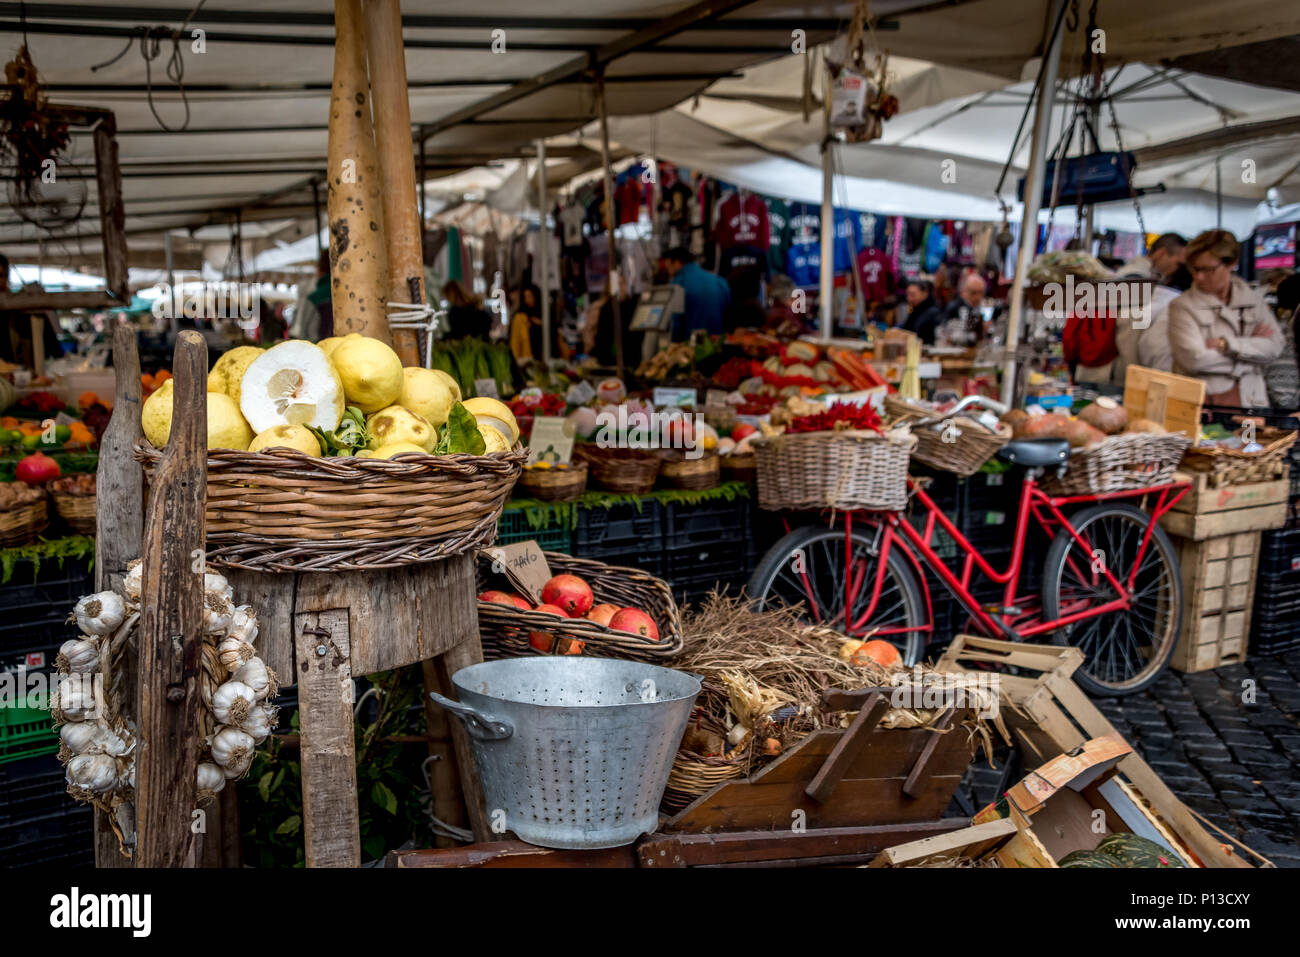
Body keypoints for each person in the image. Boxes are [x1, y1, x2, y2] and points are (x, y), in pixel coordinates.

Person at [1168, 229, 1282, 408]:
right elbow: (1194, 359)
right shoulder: (1182, 306)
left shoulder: (1253, 300)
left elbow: (1275, 347)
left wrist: (1227, 344)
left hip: (1252, 401)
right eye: (1195, 269)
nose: (1199, 276)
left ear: (1231, 263)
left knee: (1250, 437)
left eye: (1208, 269)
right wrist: (1252, 361)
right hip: (1207, 404)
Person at [664, 247, 730, 339]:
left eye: (668, 267)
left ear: (676, 262)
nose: (668, 272)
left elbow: (673, 323)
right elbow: (729, 314)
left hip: (689, 346)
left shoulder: (676, 284)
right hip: (718, 343)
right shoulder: (718, 281)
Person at [290, 251, 333, 342]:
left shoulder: (314, 297)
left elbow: (302, 332)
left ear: (320, 268)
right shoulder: (350, 294)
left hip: (319, 348)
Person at [938, 273, 991, 346]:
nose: (978, 297)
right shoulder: (954, 308)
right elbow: (944, 334)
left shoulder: (982, 309)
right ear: (963, 291)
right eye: (973, 293)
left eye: (981, 293)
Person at [1119, 233, 1187, 283]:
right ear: (1161, 254)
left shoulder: (1148, 274)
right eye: (1178, 264)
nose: (1177, 269)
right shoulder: (1136, 274)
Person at [508, 283, 543, 363]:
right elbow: (515, 342)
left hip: (542, 358)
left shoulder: (544, 315)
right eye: (525, 297)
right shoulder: (520, 317)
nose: (527, 300)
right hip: (526, 361)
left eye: (529, 297)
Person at [901, 279, 942, 345]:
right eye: (907, 295)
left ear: (924, 294)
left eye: (912, 295)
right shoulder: (915, 310)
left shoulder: (933, 313)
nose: (909, 298)